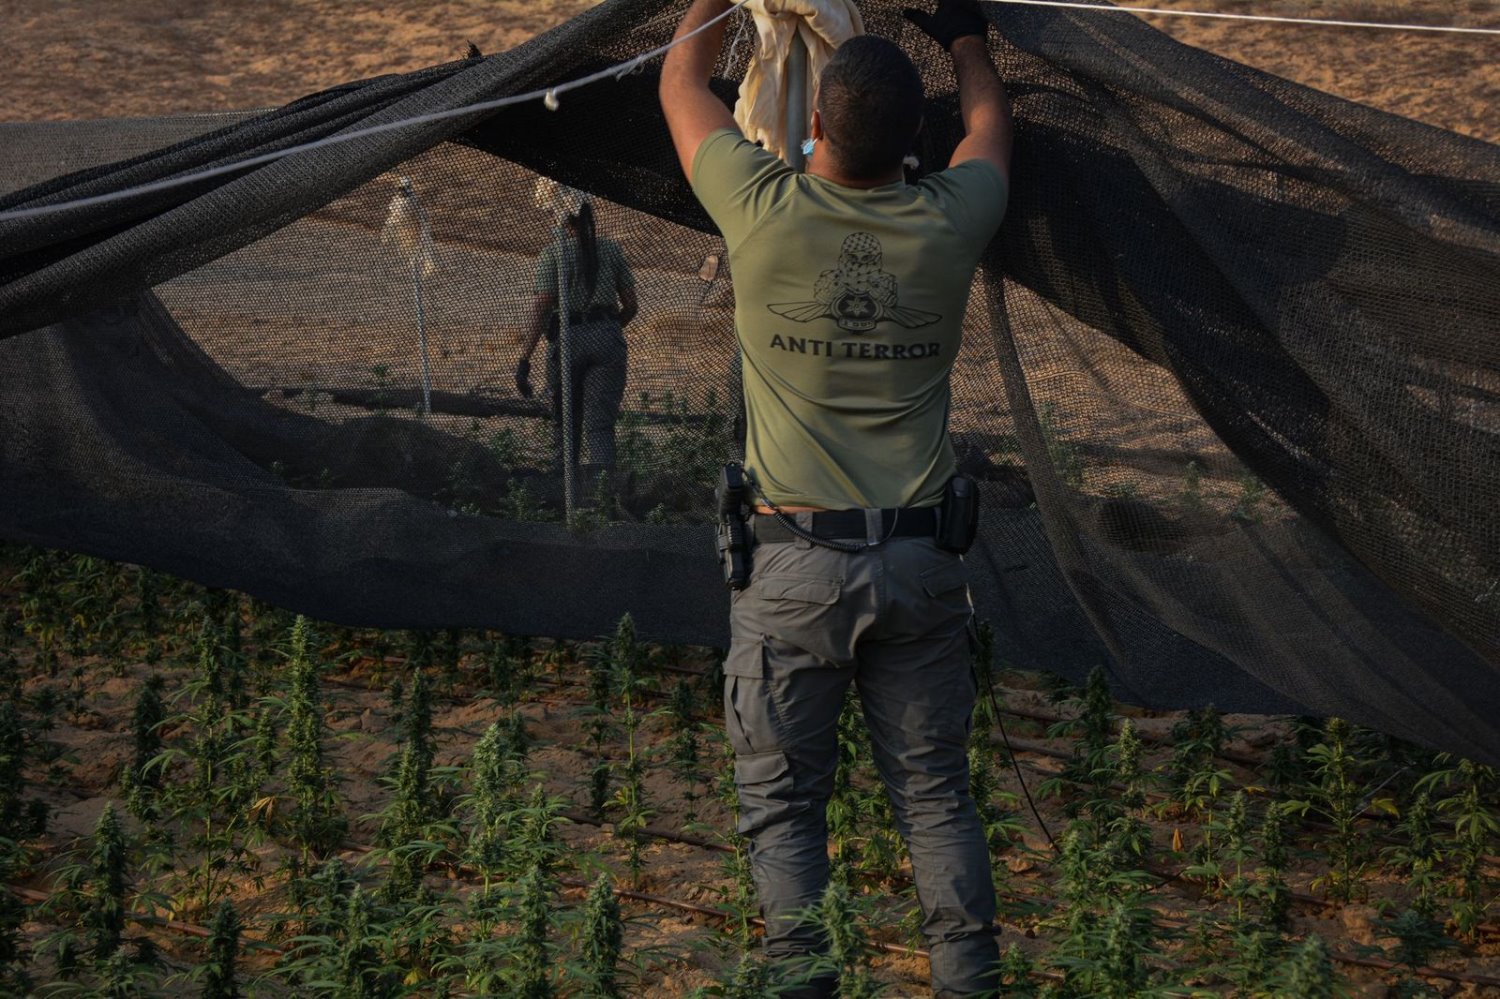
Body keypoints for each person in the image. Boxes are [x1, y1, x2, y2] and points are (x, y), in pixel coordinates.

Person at [659, 1, 1012, 996]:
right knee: (937, 800)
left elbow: (681, 86)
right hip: (920, 566)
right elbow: (990, 128)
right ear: (916, 144)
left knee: (785, 809)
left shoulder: (762, 210)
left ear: (811, 127)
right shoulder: (951, 218)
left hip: (793, 571)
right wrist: (967, 37)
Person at [515, 189, 639, 485]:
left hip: (567, 337)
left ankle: (563, 489)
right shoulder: (610, 249)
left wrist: (524, 358)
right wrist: (607, 329)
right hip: (607, 336)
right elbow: (632, 305)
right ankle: (604, 496)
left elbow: (542, 306)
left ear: (560, 220)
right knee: (600, 425)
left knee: (565, 422)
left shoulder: (552, 254)